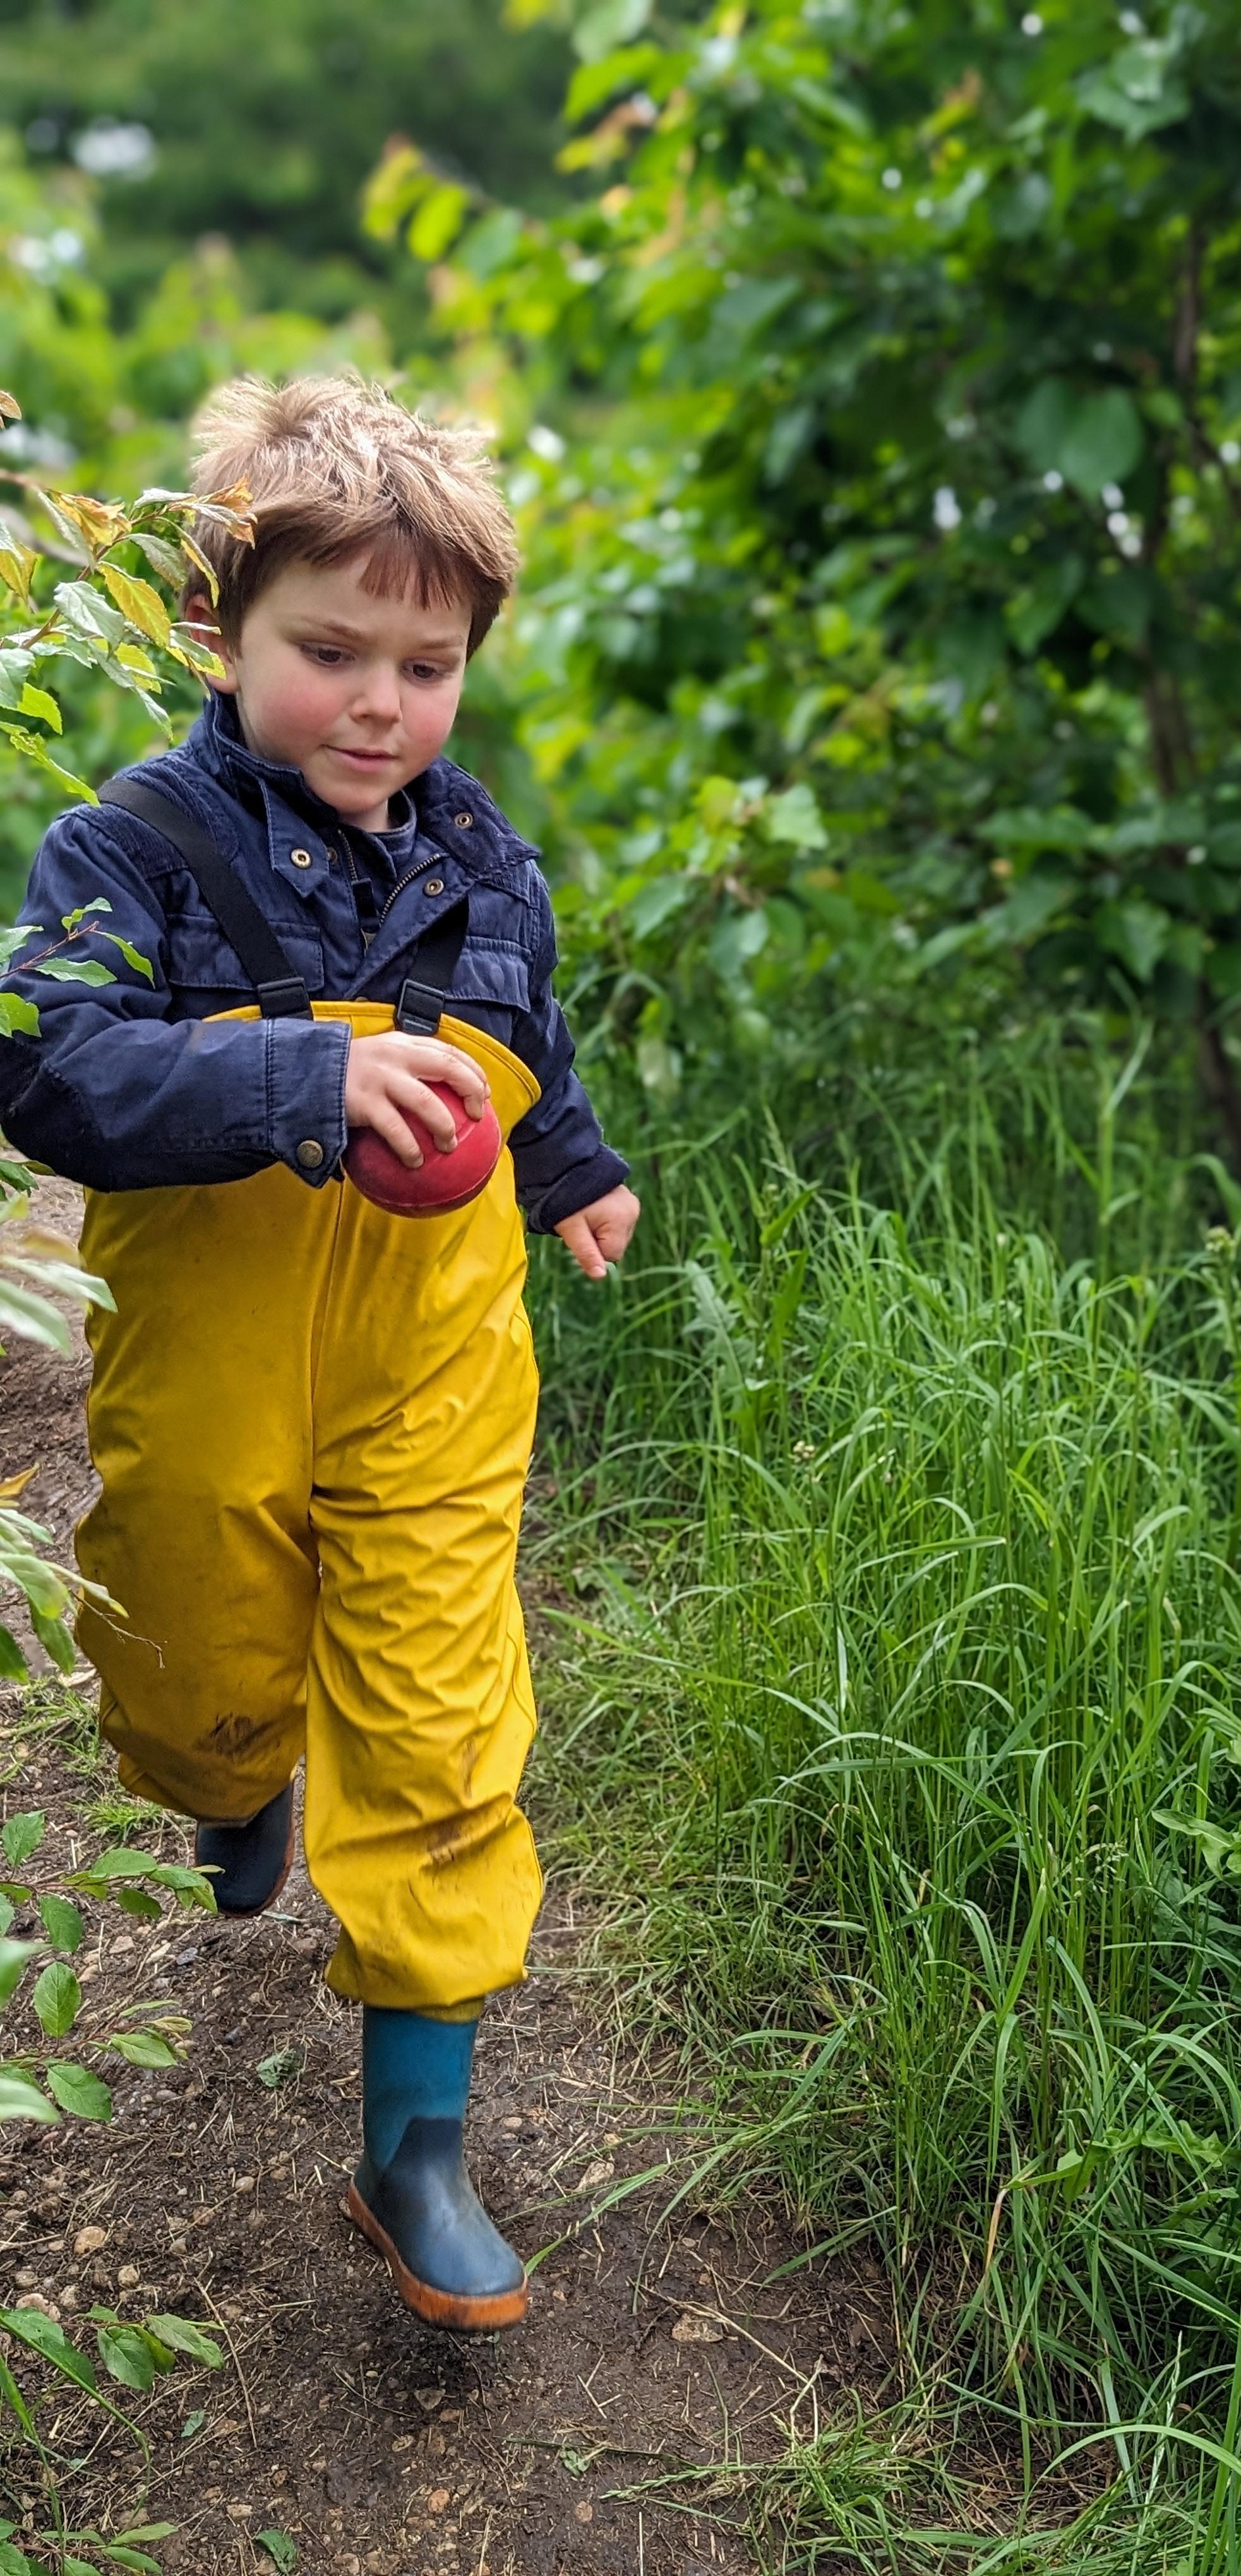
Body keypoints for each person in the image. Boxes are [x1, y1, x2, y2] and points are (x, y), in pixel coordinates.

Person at [0, 376, 640, 2334]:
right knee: (189, 1637)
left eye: (426, 668)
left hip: (432, 1354)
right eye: (332, 652)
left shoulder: (489, 860)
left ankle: (414, 2149)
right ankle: (230, 1771)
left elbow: (525, 1040)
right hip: (216, 1339)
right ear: (217, 630)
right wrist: (305, 1077)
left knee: (443, 1715)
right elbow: (47, 1064)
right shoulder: (135, 849)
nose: (381, 703)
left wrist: (570, 1166)